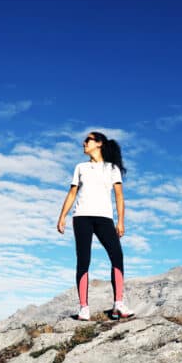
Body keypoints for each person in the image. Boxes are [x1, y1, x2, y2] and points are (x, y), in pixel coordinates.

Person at [57, 131, 134, 321]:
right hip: (81, 217)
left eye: (88, 140)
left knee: (117, 256)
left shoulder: (112, 169)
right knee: (83, 260)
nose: (83, 143)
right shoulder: (80, 167)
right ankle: (84, 308)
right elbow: (72, 193)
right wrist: (62, 217)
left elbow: (119, 196)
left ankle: (118, 304)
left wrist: (121, 220)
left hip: (104, 218)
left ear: (98, 143)